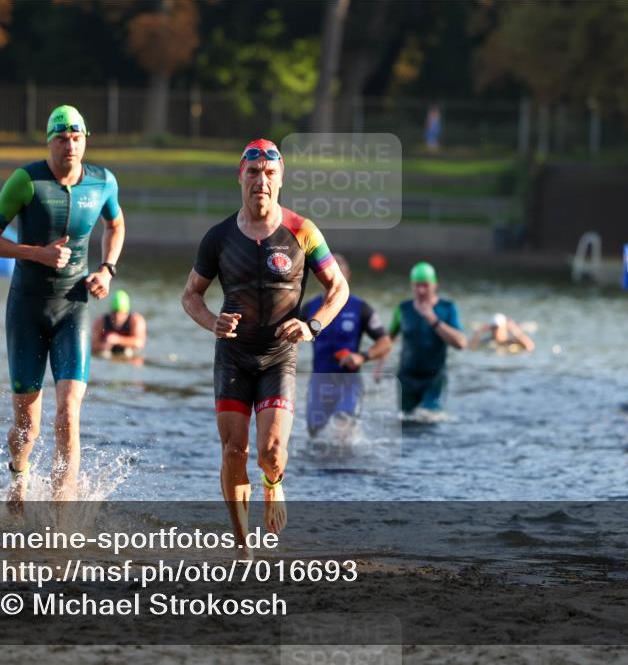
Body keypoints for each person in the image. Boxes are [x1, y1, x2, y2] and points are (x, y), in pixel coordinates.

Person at [181, 139, 348, 542]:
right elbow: (191, 296)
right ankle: (242, 546)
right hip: (233, 358)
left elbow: (338, 289)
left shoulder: (302, 231)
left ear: (280, 180)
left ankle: (274, 483)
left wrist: (312, 327)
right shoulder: (218, 237)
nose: (261, 181)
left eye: (270, 174)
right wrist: (212, 322)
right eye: (253, 173)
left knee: (270, 453)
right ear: (240, 177)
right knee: (233, 452)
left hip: (278, 358)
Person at [0, 105, 125, 509]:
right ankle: (18, 477)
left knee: (69, 415)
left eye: (77, 138)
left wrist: (107, 270)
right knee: (28, 427)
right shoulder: (26, 181)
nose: (70, 146)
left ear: (85, 140)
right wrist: (36, 254)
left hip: (72, 308)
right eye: (62, 138)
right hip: (26, 308)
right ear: (50, 142)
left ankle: (63, 518)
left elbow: (116, 224)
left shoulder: (102, 182)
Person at [301, 254, 392, 438]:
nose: (333, 277)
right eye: (328, 272)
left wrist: (362, 357)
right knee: (315, 437)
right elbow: (287, 340)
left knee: (342, 430)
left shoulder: (360, 308)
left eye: (339, 272)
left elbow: (385, 342)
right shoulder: (309, 308)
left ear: (347, 276)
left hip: (348, 383)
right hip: (319, 383)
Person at [389, 262, 467, 417]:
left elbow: (461, 343)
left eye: (425, 285)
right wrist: (379, 366)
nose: (421, 290)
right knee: (406, 423)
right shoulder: (403, 308)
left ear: (435, 285)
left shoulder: (447, 308)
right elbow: (388, 340)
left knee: (429, 421)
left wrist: (433, 320)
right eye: (417, 286)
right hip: (406, 377)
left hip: (434, 378)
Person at [92, 289, 146, 359]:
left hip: (128, 352)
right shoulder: (101, 321)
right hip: (107, 350)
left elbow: (139, 343)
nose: (117, 316)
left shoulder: (135, 320)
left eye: (120, 313)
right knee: (104, 354)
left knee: (132, 356)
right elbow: (93, 345)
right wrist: (103, 345)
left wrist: (118, 340)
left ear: (126, 312)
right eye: (115, 312)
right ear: (111, 311)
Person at [468, 313, 535, 353]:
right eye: (493, 328)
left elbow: (529, 347)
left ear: (505, 328)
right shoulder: (487, 342)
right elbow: (471, 348)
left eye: (498, 328)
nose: (495, 331)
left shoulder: (512, 341)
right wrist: (478, 332)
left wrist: (514, 330)